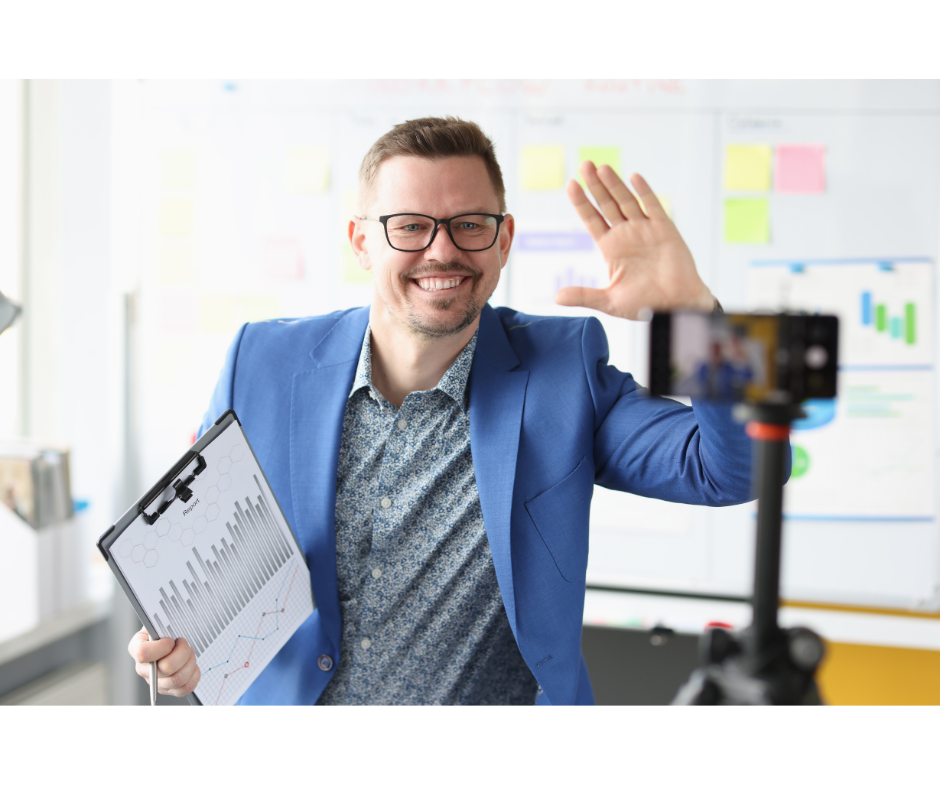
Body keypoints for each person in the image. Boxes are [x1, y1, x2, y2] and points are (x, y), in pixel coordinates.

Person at [129, 117, 770, 705]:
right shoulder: (262, 363)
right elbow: (194, 575)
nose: (442, 250)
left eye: (469, 224)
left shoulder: (562, 373)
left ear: (503, 240)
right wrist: (176, 652)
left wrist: (699, 319)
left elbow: (736, 470)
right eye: (410, 226)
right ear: (361, 241)